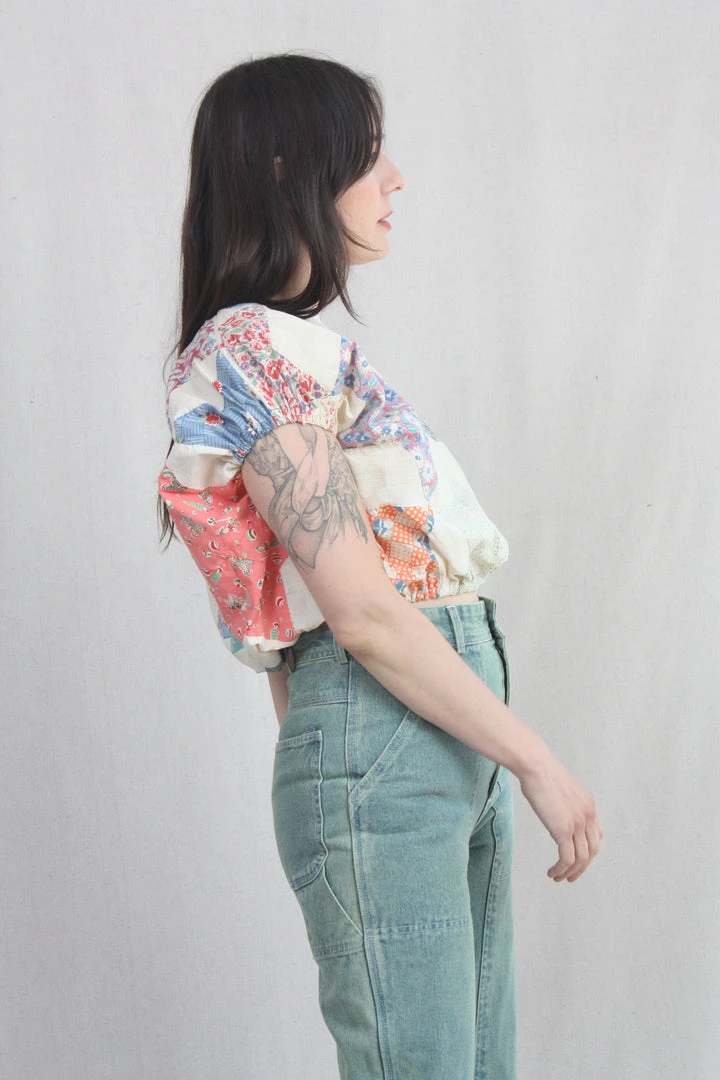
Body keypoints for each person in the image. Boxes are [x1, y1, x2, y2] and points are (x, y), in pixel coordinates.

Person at [157, 51, 603, 1080]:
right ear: (287, 171)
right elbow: (356, 613)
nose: (395, 178)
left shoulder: (292, 349)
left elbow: (288, 625)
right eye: (366, 155)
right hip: (395, 731)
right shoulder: (249, 346)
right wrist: (534, 759)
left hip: (428, 732)